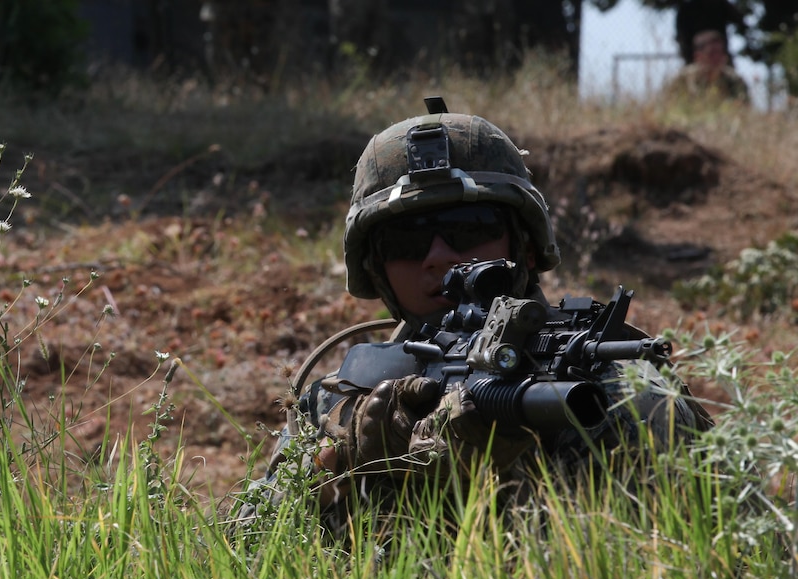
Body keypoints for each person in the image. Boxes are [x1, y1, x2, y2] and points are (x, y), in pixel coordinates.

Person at [236, 100, 714, 537]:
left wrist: (504, 463)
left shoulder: (616, 390)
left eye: (467, 229)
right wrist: (344, 466)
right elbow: (246, 554)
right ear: (376, 268)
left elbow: (682, 556)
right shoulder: (343, 400)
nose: (439, 256)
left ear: (524, 246)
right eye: (406, 240)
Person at [663, 29, 750, 104]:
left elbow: (744, 108)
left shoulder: (734, 80)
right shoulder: (682, 80)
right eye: (712, 54)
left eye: (720, 52)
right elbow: (667, 105)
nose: (717, 58)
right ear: (698, 56)